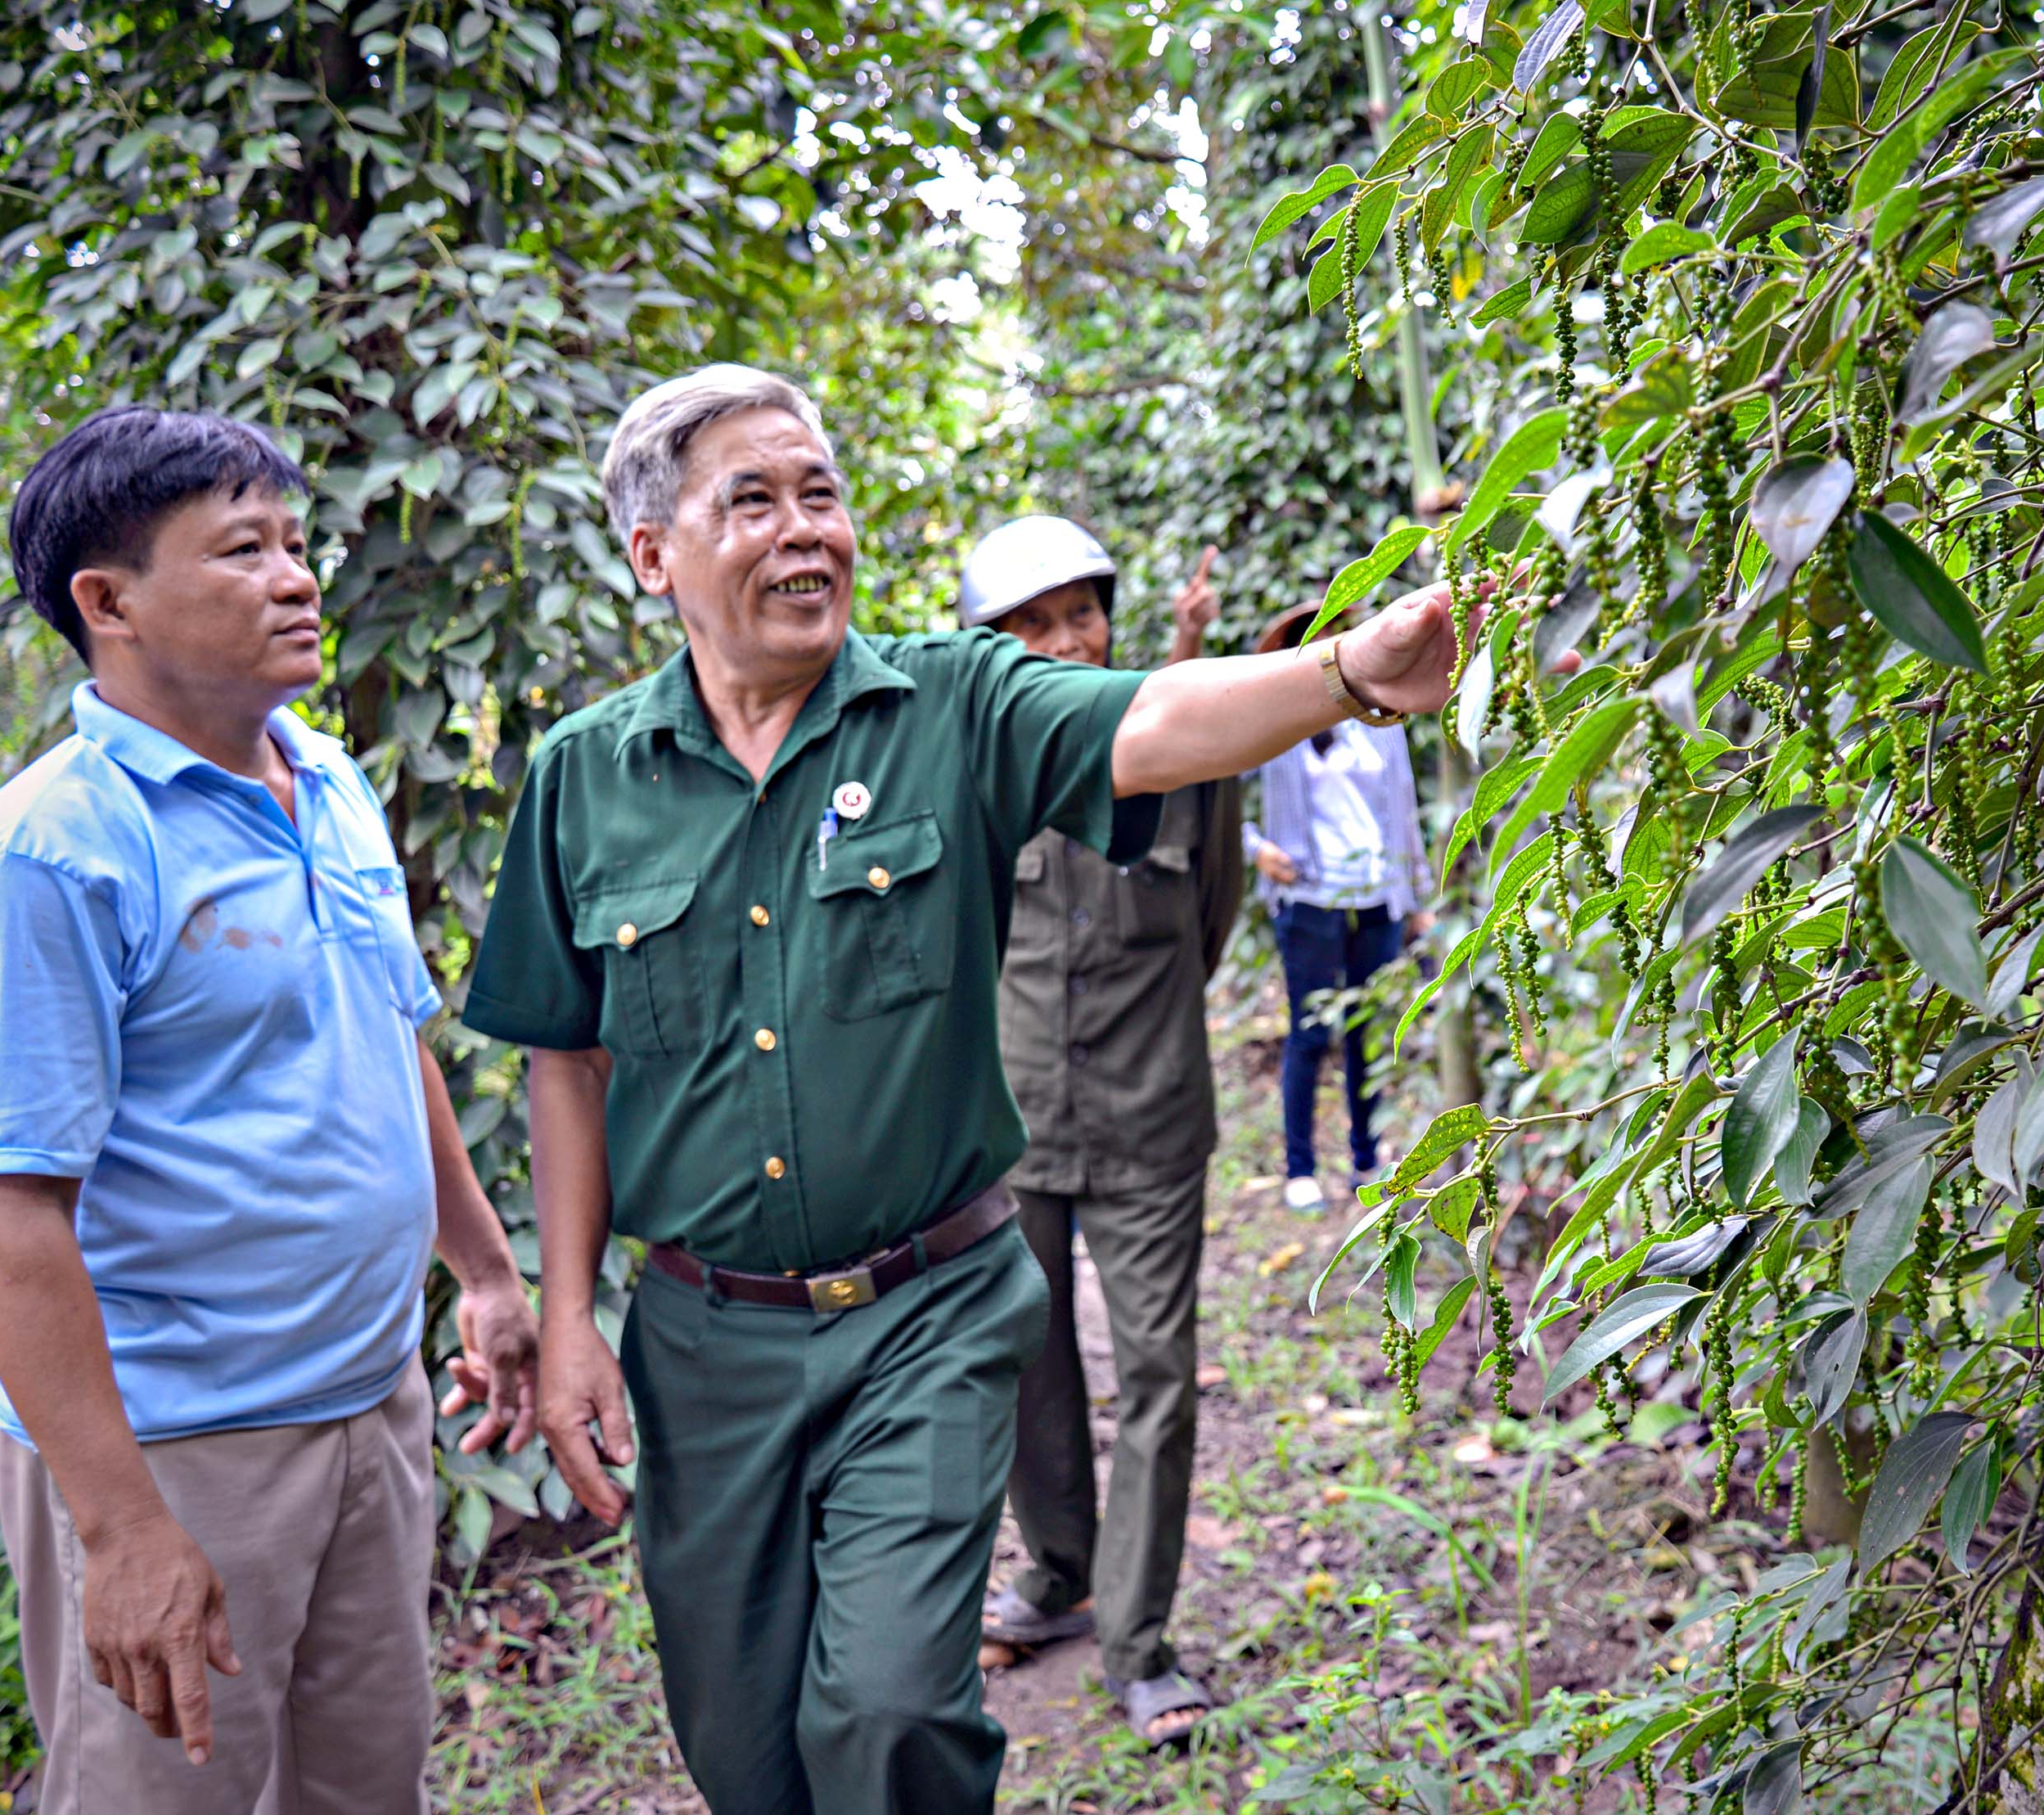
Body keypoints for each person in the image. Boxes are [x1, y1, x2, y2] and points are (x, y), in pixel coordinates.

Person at [458, 364, 1465, 1815]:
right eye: (754, 501)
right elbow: (568, 1055)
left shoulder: (954, 701)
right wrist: (565, 1322)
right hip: (703, 1341)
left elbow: (1155, 719)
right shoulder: (582, 778)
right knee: (743, 1747)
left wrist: (1348, 673)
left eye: (822, 493)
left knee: (888, 1712)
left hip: (922, 1312)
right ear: (653, 556)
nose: (807, 530)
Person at [0, 406, 541, 1813]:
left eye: (294, 542)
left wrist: (486, 1274)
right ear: (108, 601)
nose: (297, 576)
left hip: (366, 1406)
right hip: (182, 1449)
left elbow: (391, 1042)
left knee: (366, 1786)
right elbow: (11, 1211)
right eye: (243, 548)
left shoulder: (321, 781)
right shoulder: (43, 860)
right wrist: (122, 1525)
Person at [959, 519, 1236, 1747]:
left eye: (1081, 612)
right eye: (1032, 622)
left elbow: (1210, 917)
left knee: (1159, 1374)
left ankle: (1139, 1640)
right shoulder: (972, 762)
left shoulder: (1183, 749)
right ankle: (1057, 1568)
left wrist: (1148, 1032)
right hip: (1012, 1119)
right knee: (1026, 1352)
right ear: (991, 647)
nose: (1065, 639)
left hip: (1150, 1115)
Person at [1245, 601, 1432, 1214]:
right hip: (1309, 897)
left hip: (1376, 894)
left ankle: (1366, 1155)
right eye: (1317, 640)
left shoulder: (1384, 714)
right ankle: (1300, 1166)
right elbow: (1215, 788)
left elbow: (1403, 811)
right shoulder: (1280, 720)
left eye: (1338, 635)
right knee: (1309, 1030)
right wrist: (1255, 848)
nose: (1332, 649)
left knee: (1368, 1034)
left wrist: (1417, 897)